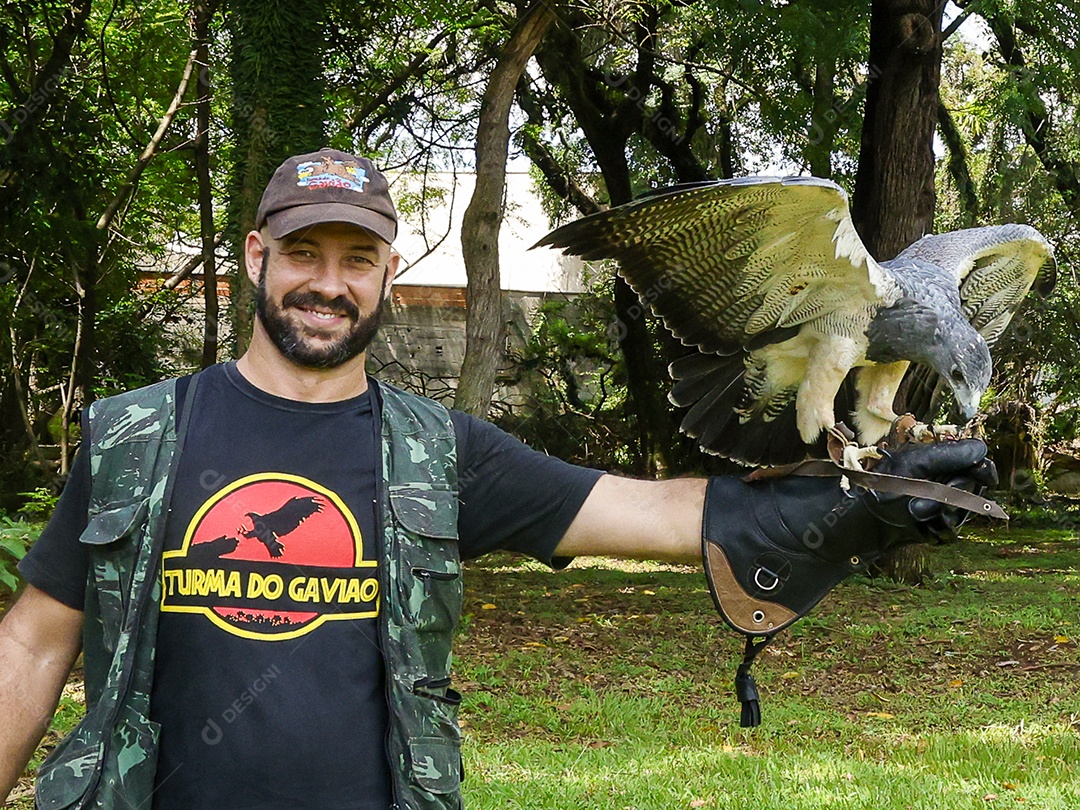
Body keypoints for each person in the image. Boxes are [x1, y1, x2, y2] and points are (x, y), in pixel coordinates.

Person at [0, 148, 995, 810]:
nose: (327, 281)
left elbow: (641, 511)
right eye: (303, 251)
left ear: (391, 274)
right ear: (257, 257)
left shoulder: (439, 452)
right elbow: (34, 647)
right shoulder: (140, 436)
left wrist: (853, 502)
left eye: (357, 257)